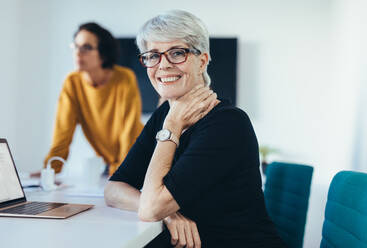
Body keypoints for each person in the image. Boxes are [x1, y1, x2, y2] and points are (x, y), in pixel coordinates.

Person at [104, 10, 285, 248]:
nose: (163, 65)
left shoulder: (227, 124)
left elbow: (150, 208)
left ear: (202, 61)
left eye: (177, 53)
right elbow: (113, 189)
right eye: (153, 55)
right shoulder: (164, 115)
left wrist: (172, 126)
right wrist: (168, 214)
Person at [43, 22, 143, 176]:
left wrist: (122, 172)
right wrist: (49, 172)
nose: (78, 53)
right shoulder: (72, 82)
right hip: (111, 166)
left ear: (103, 53)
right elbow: (62, 131)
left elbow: (128, 131)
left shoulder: (124, 78)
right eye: (76, 46)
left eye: (87, 48)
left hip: (138, 158)